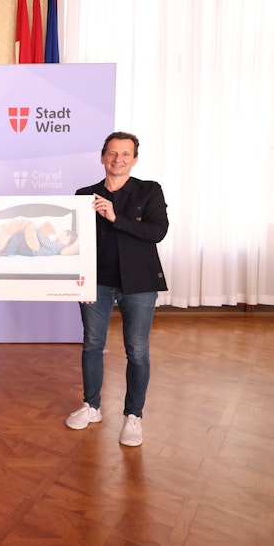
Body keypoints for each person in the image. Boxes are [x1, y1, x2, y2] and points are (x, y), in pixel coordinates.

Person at [65, 131, 169, 447]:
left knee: (137, 349)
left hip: (138, 285)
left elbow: (157, 231)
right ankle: (91, 406)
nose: (118, 159)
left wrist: (115, 217)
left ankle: (133, 416)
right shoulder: (84, 194)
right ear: (102, 158)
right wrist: (77, 280)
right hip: (95, 281)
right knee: (92, 344)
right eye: (112, 153)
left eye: (125, 154)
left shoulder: (149, 191)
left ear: (134, 159)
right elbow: (73, 241)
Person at [0, 219, 78, 257]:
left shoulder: (59, 246)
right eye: (61, 235)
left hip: (32, 251)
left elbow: (44, 242)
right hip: (31, 250)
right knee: (19, 242)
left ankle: (9, 253)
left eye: (64, 239)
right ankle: (9, 250)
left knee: (18, 237)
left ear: (68, 245)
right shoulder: (59, 244)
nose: (61, 238)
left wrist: (38, 230)